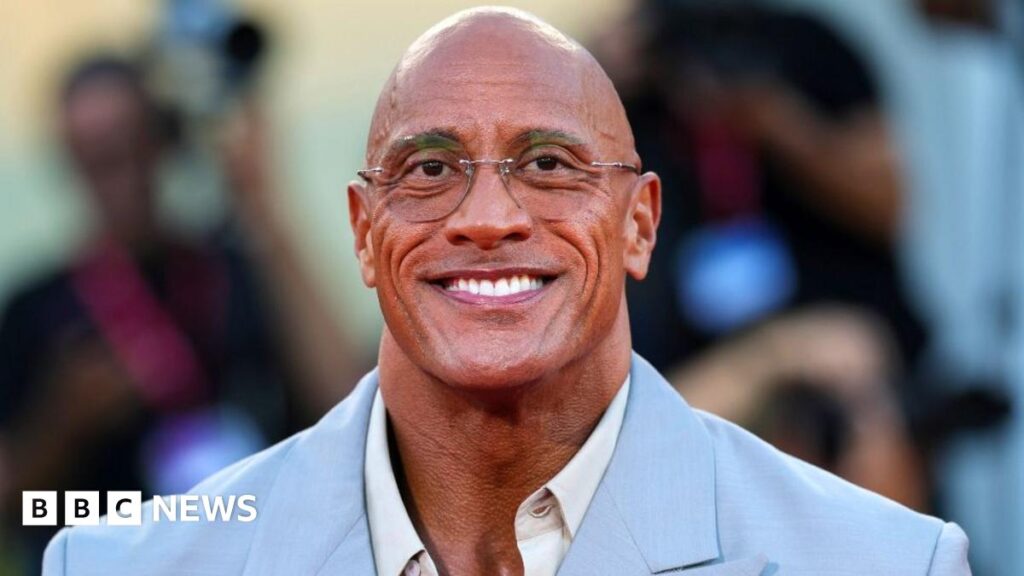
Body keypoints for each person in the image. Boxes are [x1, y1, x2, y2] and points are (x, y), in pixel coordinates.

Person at [42, 8, 970, 575]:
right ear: (364, 232)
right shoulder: (118, 563)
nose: (488, 217)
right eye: (430, 168)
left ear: (639, 223)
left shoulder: (885, 563)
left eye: (550, 164)